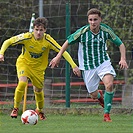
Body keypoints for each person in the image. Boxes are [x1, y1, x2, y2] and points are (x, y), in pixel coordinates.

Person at [49, 8, 128, 122]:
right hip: (87, 67)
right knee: (93, 95)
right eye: (90, 20)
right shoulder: (83, 32)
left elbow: (120, 44)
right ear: (88, 20)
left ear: (100, 19)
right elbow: (68, 41)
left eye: (95, 19)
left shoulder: (105, 30)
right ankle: (99, 96)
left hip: (103, 63)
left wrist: (123, 58)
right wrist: (58, 56)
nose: (93, 22)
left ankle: (106, 114)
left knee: (109, 85)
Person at [0, 17, 80, 120]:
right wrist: (1, 53)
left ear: (45, 30)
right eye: (36, 29)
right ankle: (15, 108)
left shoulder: (47, 40)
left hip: (38, 69)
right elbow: (8, 41)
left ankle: (40, 110)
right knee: (22, 83)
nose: (38, 32)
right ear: (33, 29)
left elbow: (62, 51)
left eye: (41, 30)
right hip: (24, 63)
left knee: (38, 90)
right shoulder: (27, 37)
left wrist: (74, 65)